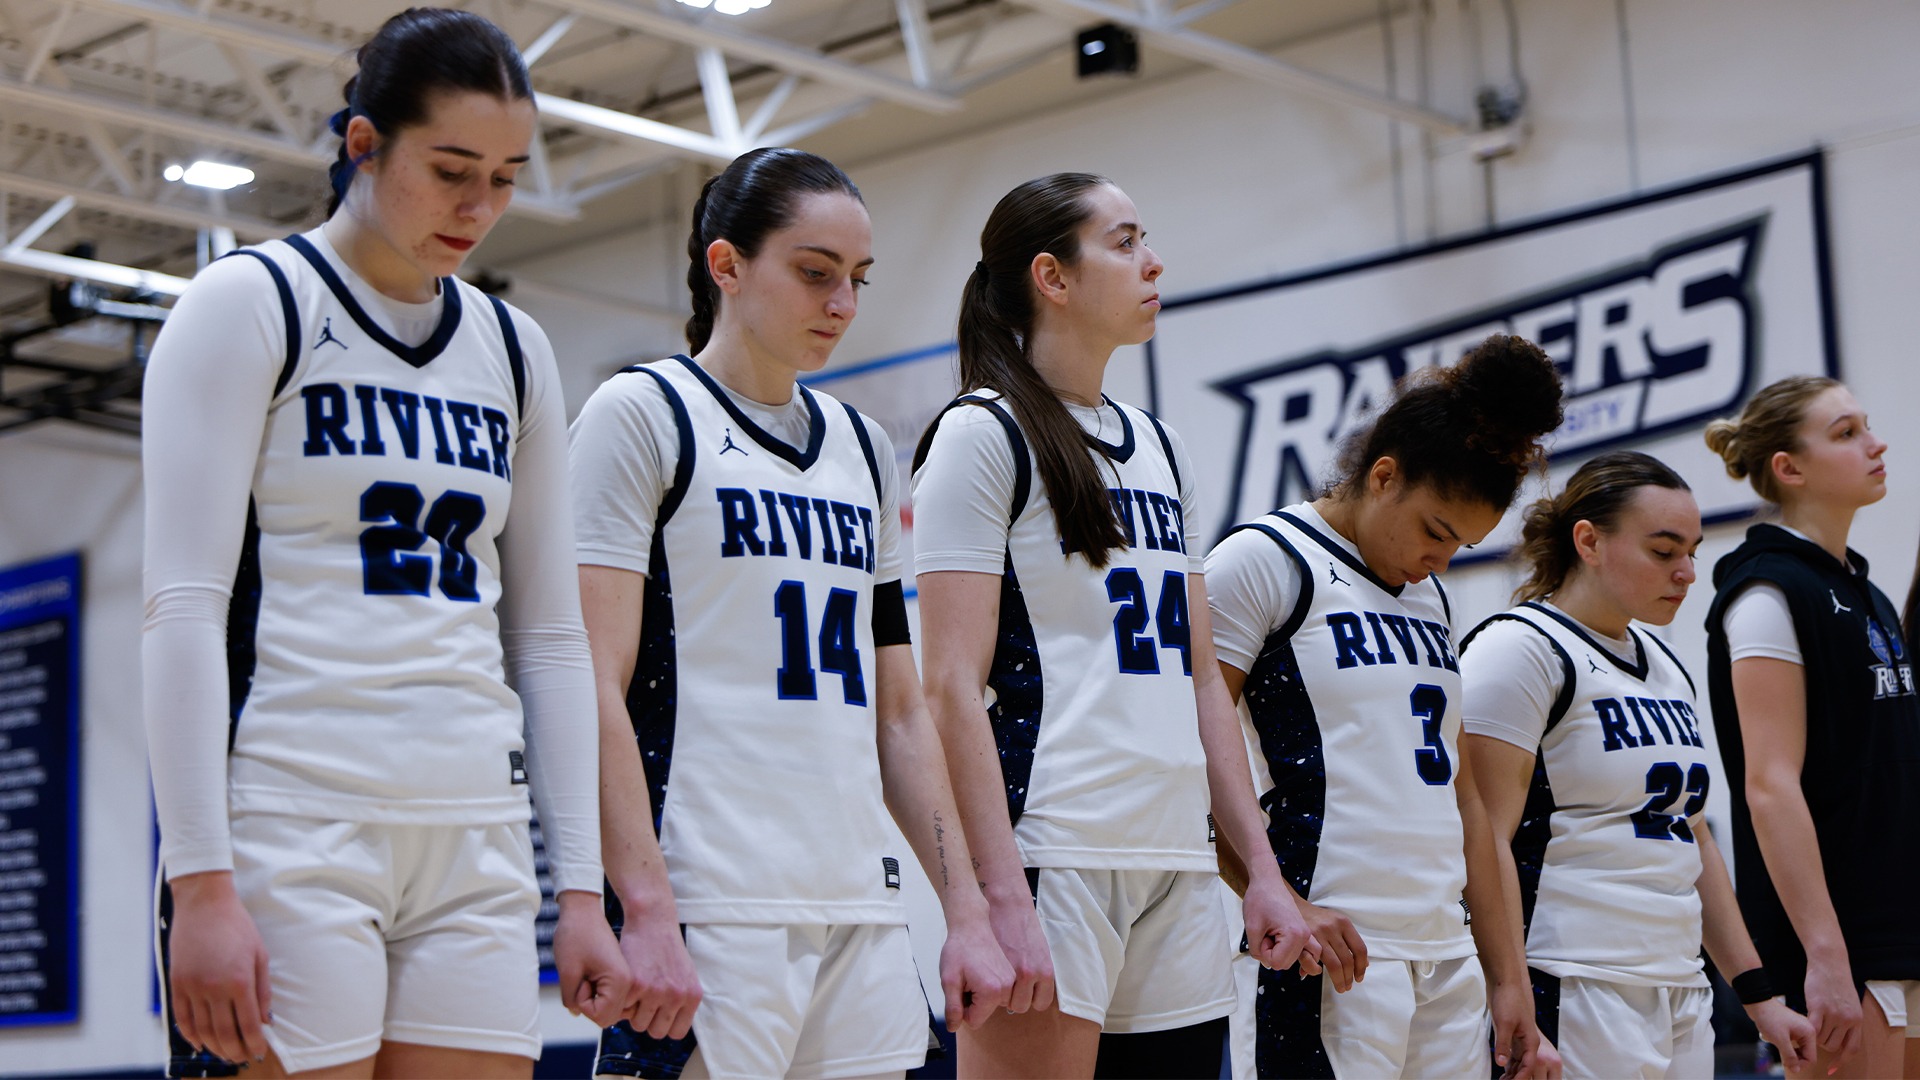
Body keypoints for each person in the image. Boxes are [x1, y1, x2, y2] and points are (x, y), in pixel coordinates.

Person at [141, 9, 628, 1078]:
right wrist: (201, 884)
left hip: (476, 834)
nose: (479, 206)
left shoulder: (512, 347)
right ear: (364, 144)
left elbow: (547, 639)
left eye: (504, 176)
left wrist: (583, 890)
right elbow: (181, 606)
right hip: (290, 817)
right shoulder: (251, 303)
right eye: (451, 168)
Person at [570, 147, 1012, 1080]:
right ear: (725, 264)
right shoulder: (642, 415)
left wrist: (964, 909)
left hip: (858, 902)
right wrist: (642, 907)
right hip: (707, 904)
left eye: (856, 279)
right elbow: (590, 684)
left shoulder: (860, 446)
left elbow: (899, 710)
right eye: (815, 274)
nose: (843, 305)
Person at [911, 172, 1314, 1080]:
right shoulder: (984, 436)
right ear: (1051, 277)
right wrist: (996, 894)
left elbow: (1202, 675)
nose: (1154, 260)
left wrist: (1259, 868)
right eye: (1125, 241)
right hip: (1054, 852)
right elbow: (948, 687)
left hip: (1171, 852)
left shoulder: (1161, 445)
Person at [1204, 334, 1564, 1079]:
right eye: (1436, 531)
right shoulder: (1264, 561)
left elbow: (1464, 800)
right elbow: (1186, 757)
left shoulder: (1428, 597)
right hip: (1328, 951)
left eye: (1461, 545)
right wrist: (1275, 898)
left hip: (1443, 955)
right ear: (1383, 475)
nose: (1442, 561)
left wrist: (1508, 978)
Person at [1458, 450, 1817, 1078]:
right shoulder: (1518, 650)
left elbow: (1692, 833)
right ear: (1589, 541)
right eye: (1663, 551)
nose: (1686, 573)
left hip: (1678, 983)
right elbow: (1482, 839)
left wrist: (1759, 998)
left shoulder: (1665, 660)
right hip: (1570, 978)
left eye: (1692, 552)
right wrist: (1506, 990)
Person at [1703, 376, 1920, 1079]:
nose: (1876, 443)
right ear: (1788, 468)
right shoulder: (1767, 592)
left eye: (1867, 424)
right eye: (1847, 432)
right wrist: (1824, 955)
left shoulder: (1867, 593)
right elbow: (1769, 786)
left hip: (1900, 929)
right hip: (1844, 945)